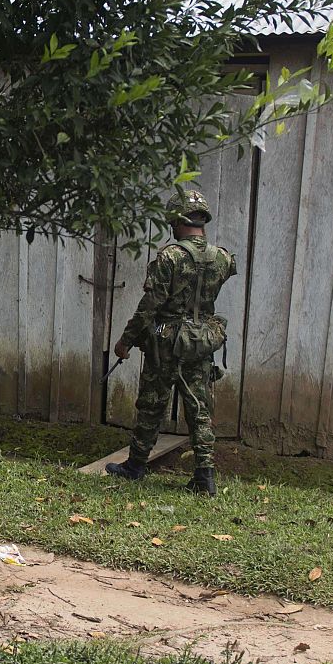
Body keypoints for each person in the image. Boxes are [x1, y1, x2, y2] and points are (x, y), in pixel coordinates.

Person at [105, 191, 237, 496]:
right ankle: (205, 477)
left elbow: (151, 304)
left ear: (177, 221)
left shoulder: (170, 256)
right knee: (199, 407)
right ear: (203, 220)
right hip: (201, 340)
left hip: (166, 342)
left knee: (152, 403)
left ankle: (135, 466)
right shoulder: (222, 257)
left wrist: (126, 340)